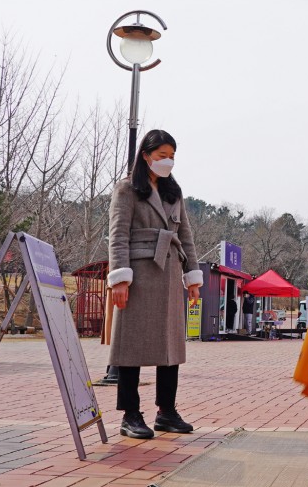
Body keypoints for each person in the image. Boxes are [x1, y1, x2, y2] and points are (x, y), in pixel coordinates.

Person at [107, 129, 203, 440]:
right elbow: (118, 235)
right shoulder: (126, 189)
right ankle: (130, 414)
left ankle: (167, 411)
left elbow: (185, 235)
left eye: (172, 156)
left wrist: (193, 277)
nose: (168, 162)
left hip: (171, 271)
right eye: (162, 156)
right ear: (146, 156)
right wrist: (120, 278)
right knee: (130, 345)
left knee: (170, 343)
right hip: (139, 272)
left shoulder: (173, 192)